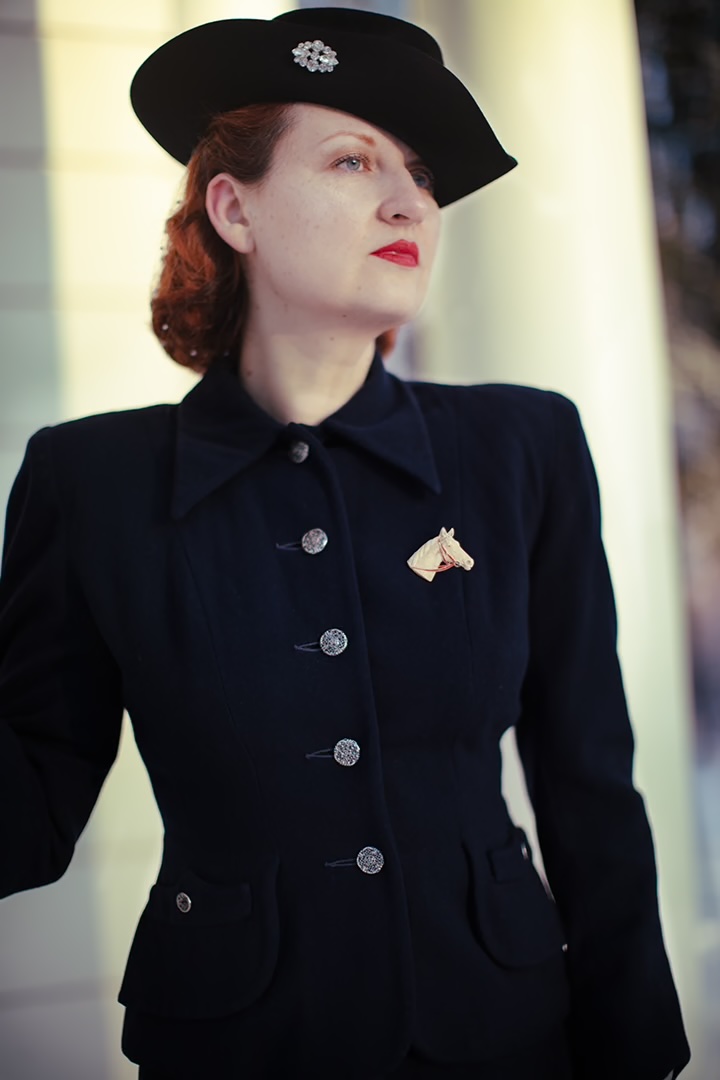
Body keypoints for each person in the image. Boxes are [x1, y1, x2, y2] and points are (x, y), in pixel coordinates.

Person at [0, 7, 690, 1080]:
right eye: (352, 158)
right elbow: (28, 808)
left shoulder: (522, 445)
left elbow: (591, 785)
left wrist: (636, 1052)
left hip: (506, 1035)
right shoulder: (91, 483)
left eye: (415, 170)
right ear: (234, 208)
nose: (407, 197)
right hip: (235, 1046)